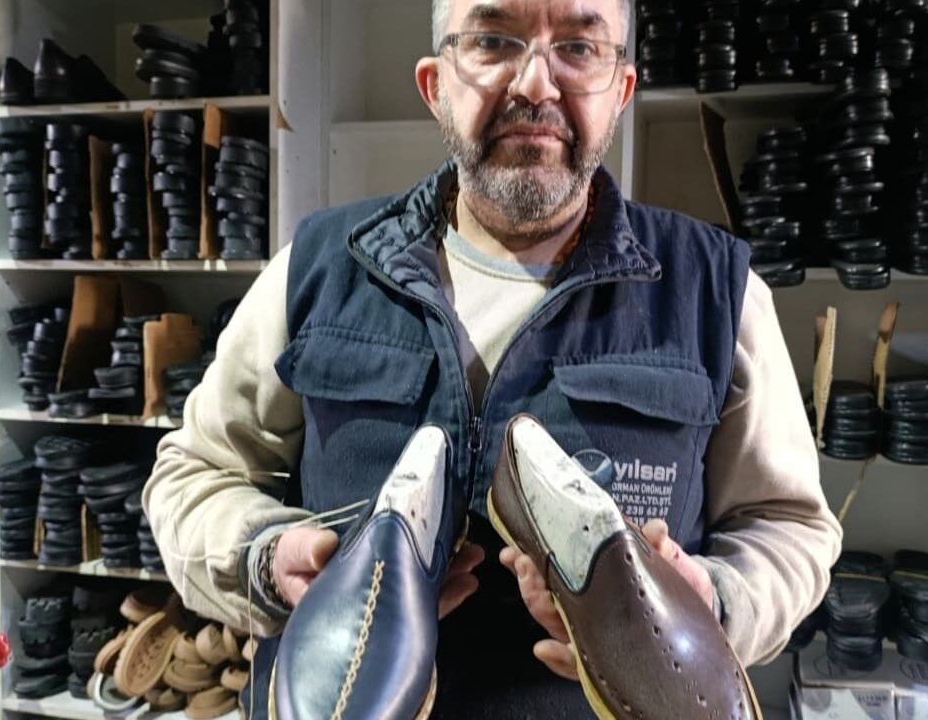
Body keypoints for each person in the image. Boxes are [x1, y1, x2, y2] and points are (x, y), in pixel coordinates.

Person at [145, 0, 843, 716]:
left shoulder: (717, 292)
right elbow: (192, 474)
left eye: (579, 47)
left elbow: (787, 526)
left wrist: (713, 602)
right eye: (493, 40)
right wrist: (266, 561)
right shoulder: (316, 268)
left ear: (621, 90)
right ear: (436, 84)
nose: (536, 83)